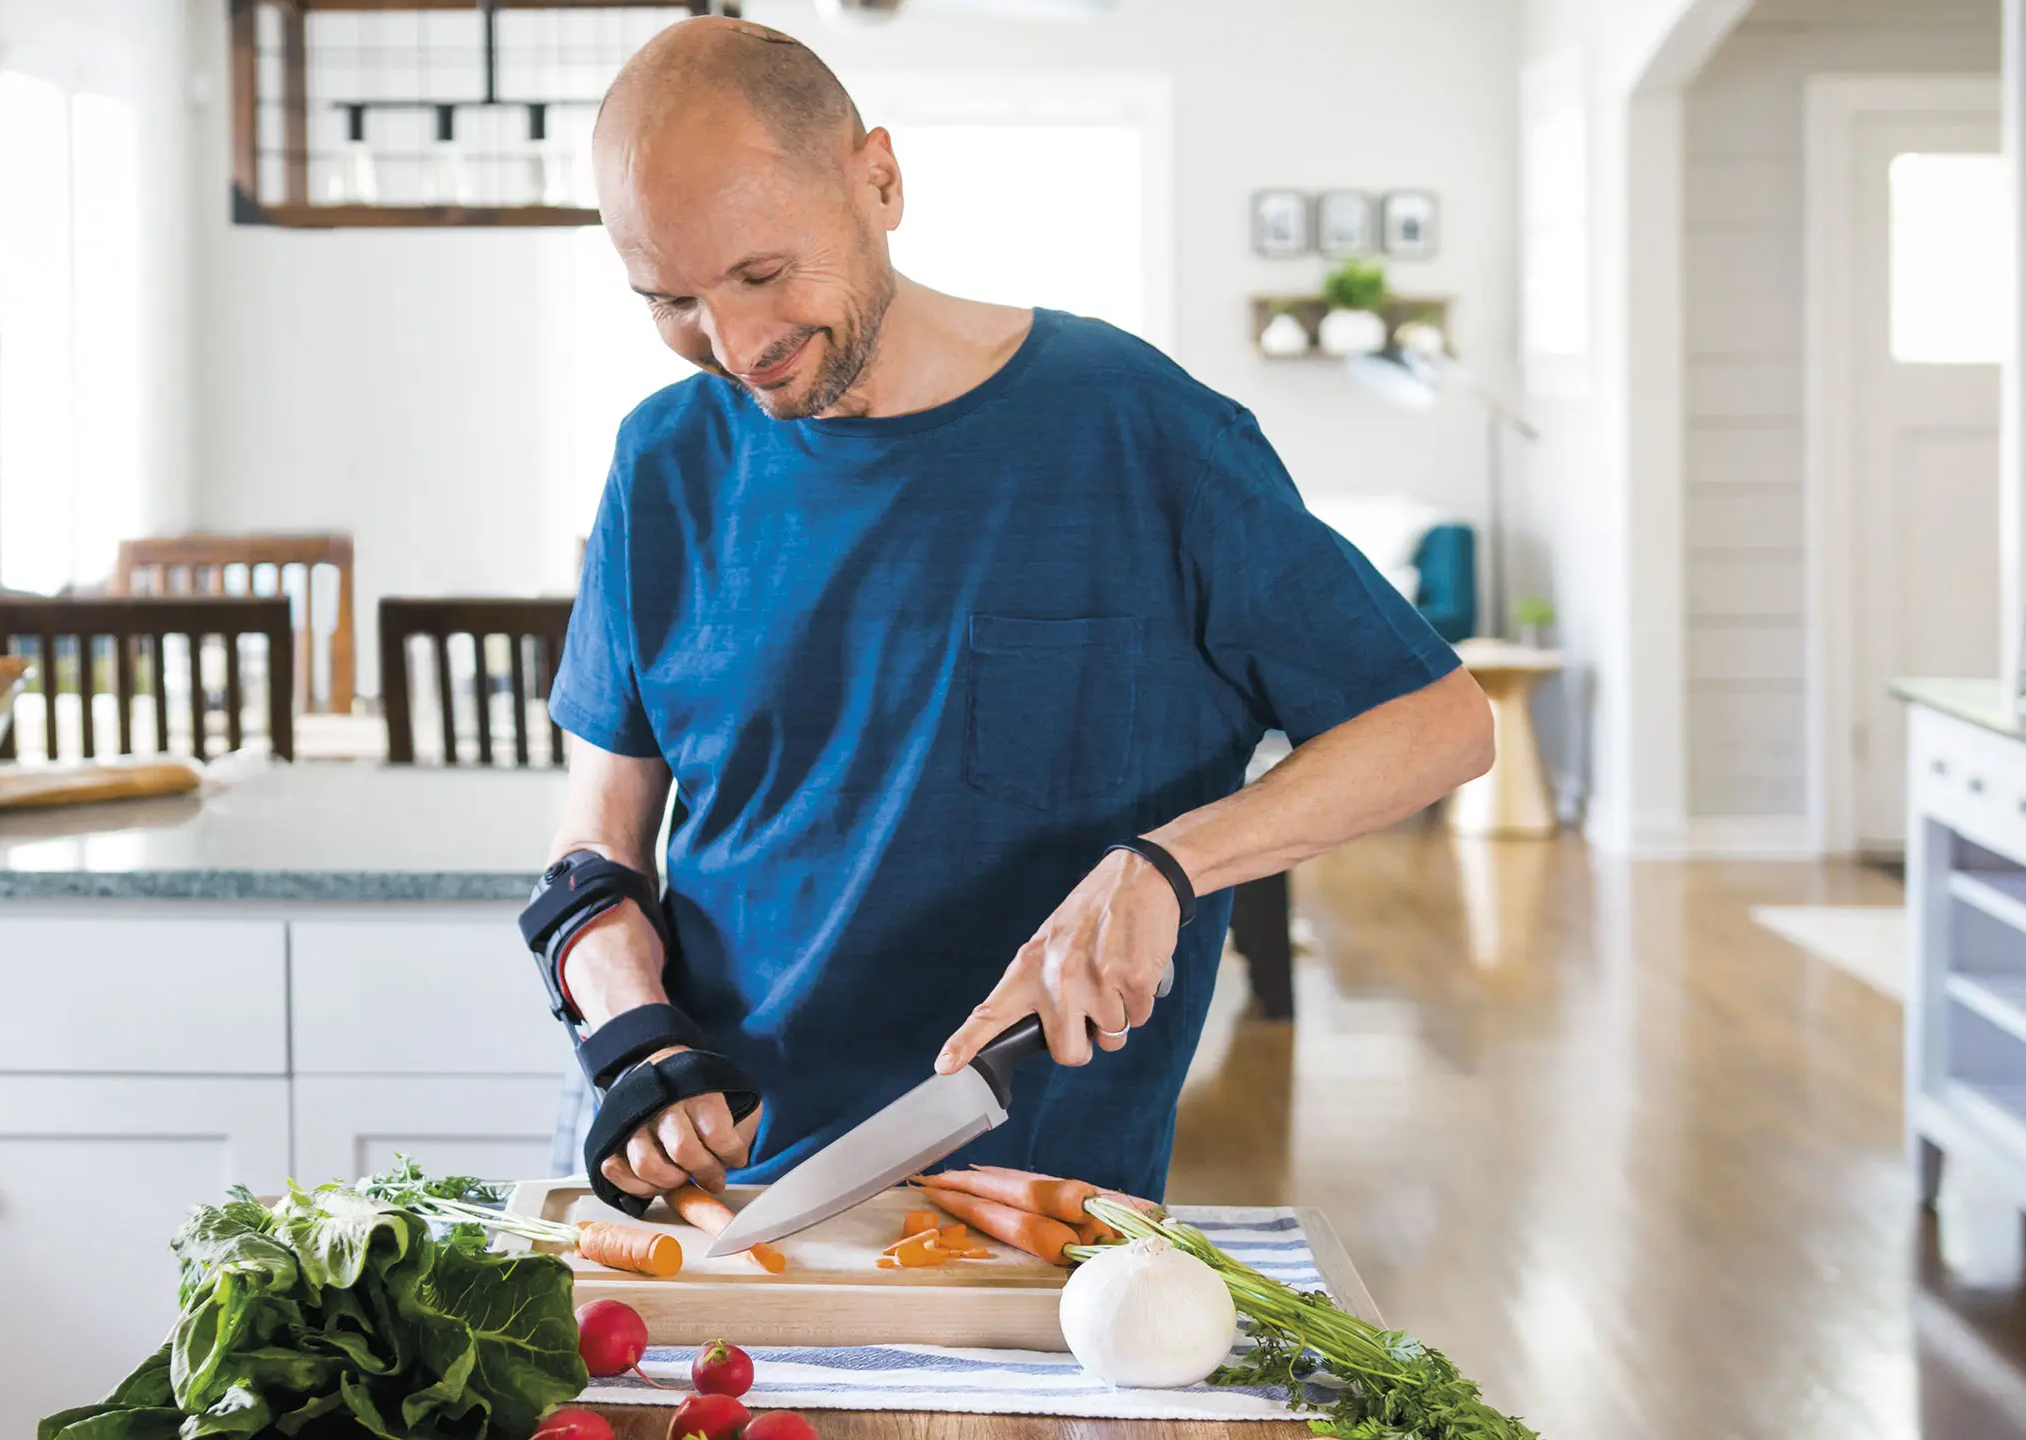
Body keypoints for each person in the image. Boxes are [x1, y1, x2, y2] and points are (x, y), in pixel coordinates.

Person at [525, 17, 1494, 1208]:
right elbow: (592, 854)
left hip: (1030, 1210)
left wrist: (1168, 866)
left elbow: (1441, 723)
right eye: (669, 301)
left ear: (878, 179)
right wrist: (633, 1038)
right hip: (715, 1199)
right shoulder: (663, 460)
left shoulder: (1135, 428)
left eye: (762, 275)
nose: (732, 347)